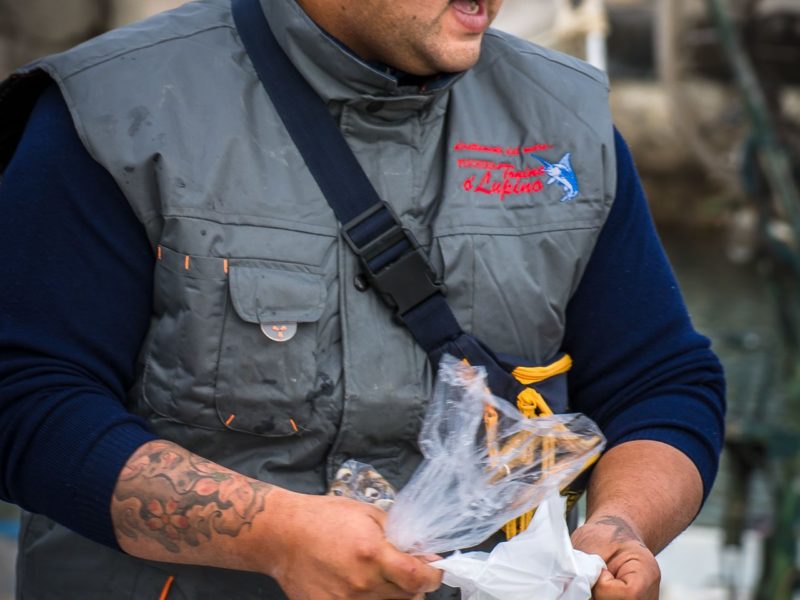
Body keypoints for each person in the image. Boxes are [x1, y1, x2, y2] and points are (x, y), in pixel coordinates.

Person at [0, 0, 725, 598]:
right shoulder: (114, 111)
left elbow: (661, 383)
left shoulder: (570, 126)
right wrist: (273, 536)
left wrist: (621, 526)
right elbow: (27, 399)